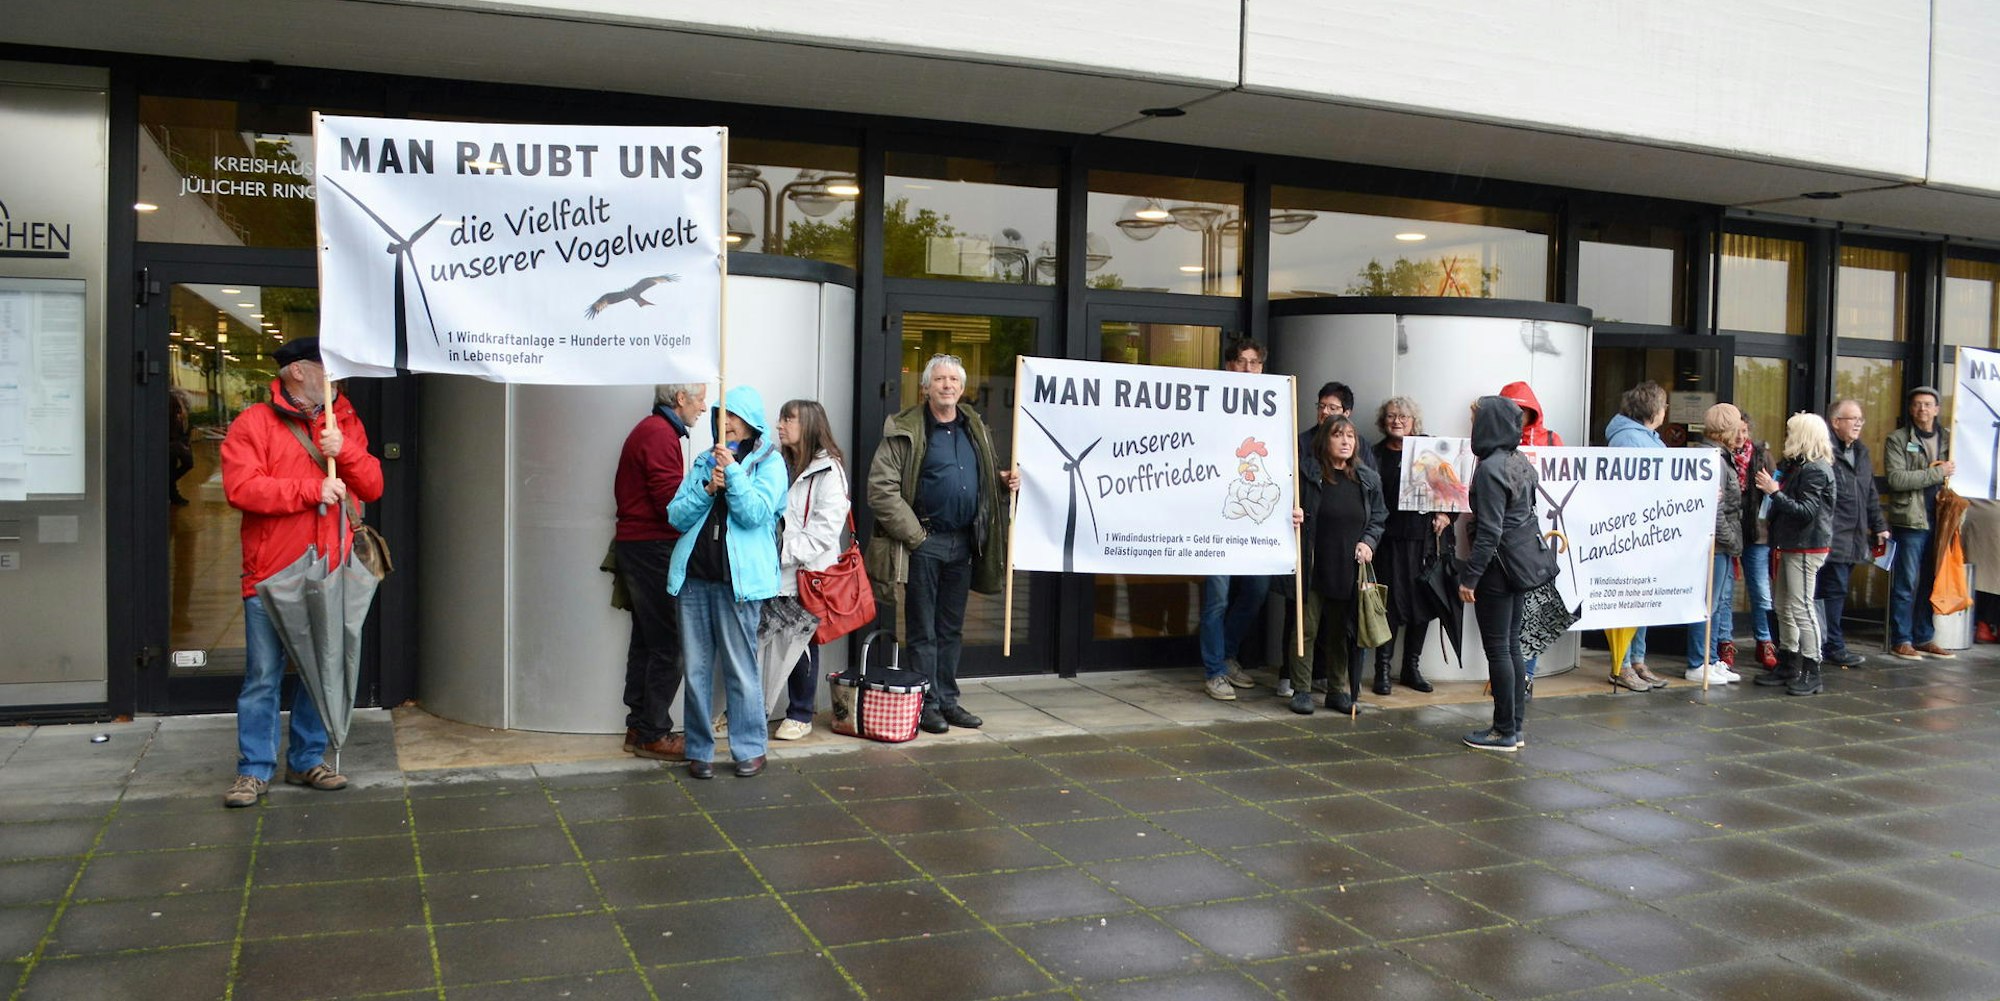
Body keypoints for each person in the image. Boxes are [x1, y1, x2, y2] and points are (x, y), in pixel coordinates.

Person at [219, 337, 383, 807]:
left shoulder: (344, 420)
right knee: (263, 676)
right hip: (273, 574)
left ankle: (308, 759)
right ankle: (253, 770)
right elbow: (243, 489)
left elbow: (372, 483)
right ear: (297, 372)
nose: (338, 379)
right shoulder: (254, 423)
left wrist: (344, 450)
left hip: (333, 569)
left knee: (323, 669)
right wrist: (311, 490)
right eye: (327, 368)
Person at [865, 354, 1017, 733]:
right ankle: (926, 703)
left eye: (953, 380)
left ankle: (948, 701)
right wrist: (916, 536)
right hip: (925, 542)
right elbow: (881, 491)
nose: (947, 386)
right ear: (926, 387)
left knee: (951, 629)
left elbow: (978, 476)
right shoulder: (907, 429)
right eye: (939, 380)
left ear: (962, 389)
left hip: (964, 544)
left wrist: (1002, 481)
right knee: (923, 631)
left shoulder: (973, 428)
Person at [667, 385, 788, 778]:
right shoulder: (704, 463)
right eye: (721, 416)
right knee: (697, 669)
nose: (726, 424)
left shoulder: (771, 464)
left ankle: (750, 748)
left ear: (751, 424)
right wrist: (708, 488)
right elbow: (676, 516)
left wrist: (733, 474)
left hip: (739, 585)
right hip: (695, 582)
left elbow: (754, 513)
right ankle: (699, 749)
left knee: (740, 667)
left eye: (733, 417)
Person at [613, 383, 705, 761]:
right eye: (699, 398)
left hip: (637, 546)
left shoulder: (652, 430)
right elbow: (670, 504)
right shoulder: (659, 434)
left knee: (647, 640)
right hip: (651, 547)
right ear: (680, 399)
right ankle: (654, 732)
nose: (703, 407)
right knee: (670, 643)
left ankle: (639, 725)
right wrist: (707, 492)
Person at [1288, 416, 1385, 715]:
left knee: (1341, 632)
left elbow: (1379, 517)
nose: (1345, 441)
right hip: (1314, 564)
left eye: (1351, 436)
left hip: (1349, 567)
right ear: (1325, 440)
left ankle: (1336, 690)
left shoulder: (1368, 478)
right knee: (1306, 629)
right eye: (1338, 435)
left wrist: (1368, 542)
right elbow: (1284, 508)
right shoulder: (1306, 473)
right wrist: (1293, 517)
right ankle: (1301, 690)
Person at [1459, 395, 1540, 751]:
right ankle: (1515, 728)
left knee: (1499, 649)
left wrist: (1470, 577)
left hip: (1496, 568)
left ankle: (1503, 730)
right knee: (1511, 646)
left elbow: (1490, 530)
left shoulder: (1490, 468)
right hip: (1518, 564)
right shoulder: (1518, 460)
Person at [1198, 337, 1275, 700]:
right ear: (1229, 365)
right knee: (1217, 598)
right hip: (1215, 519)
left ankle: (1227, 655)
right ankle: (1214, 670)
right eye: (1241, 362)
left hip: (1255, 521)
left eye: (1254, 363)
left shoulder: (1274, 408)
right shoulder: (1208, 402)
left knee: (1257, 591)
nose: (1247, 369)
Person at [772, 399, 848, 741]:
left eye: (788, 419)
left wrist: (778, 553)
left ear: (810, 426)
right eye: (781, 419)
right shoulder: (776, 463)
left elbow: (823, 532)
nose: (780, 425)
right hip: (774, 571)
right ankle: (751, 709)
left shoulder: (828, 472)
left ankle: (800, 713)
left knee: (800, 641)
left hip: (806, 573)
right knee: (766, 641)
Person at [1368, 397, 1450, 695]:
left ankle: (1411, 668)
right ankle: (1383, 670)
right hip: (1387, 542)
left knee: (1422, 604)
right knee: (1386, 606)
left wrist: (1445, 514)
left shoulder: (1429, 450)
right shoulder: (1374, 454)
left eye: (1403, 416)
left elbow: (1451, 489)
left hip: (1423, 542)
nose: (1397, 421)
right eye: (1391, 416)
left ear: (1414, 421)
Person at [1752, 413, 1837, 695]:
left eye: (1790, 432)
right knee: (1783, 605)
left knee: (1800, 606)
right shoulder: (1799, 466)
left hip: (1806, 545)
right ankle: (1788, 661)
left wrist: (1775, 492)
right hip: (1793, 544)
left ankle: (1812, 668)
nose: (1786, 437)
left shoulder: (1815, 470)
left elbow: (1806, 512)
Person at [1603, 381, 1670, 691]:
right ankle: (1623, 664)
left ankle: (1638, 660)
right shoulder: (1630, 440)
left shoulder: (1644, 437)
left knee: (1643, 598)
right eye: (1664, 405)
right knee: (1630, 599)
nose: (1665, 411)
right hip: (1632, 531)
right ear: (1652, 409)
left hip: (1649, 530)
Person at [1883, 386, 1957, 660]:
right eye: (1917, 405)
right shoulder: (1898, 440)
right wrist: (1936, 473)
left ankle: (1924, 636)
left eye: (1927, 404)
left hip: (1942, 520)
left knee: (1931, 580)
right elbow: (1897, 479)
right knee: (1906, 583)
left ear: (1937, 409)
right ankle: (1901, 639)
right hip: (1911, 520)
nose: (1922, 409)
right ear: (1911, 409)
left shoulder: (1951, 438)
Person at [1817, 399, 1889, 669]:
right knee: (1831, 590)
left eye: (1861, 419)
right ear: (1836, 422)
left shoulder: (1861, 452)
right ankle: (1831, 645)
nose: (1858, 423)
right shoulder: (1824, 450)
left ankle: (1826, 642)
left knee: (1834, 591)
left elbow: (1869, 492)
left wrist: (1879, 524)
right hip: (1831, 534)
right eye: (1852, 418)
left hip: (1853, 535)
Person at [1499, 380, 1562, 686]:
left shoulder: (1551, 439)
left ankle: (1526, 673)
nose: (1517, 417)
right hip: (1510, 535)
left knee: (1534, 608)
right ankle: (1513, 674)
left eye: (1522, 411)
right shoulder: (1493, 445)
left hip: (1542, 533)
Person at [1682, 404, 1746, 685]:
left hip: (1717, 544)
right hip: (1716, 545)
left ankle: (1709, 659)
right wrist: (1732, 542)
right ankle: (1699, 662)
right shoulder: (1715, 459)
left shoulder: (1712, 455)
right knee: (1708, 604)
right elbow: (1716, 510)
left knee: (1715, 604)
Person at [1737, 415, 1779, 669]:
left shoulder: (1762, 455)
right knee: (1725, 593)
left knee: (1761, 590)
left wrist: (1770, 487)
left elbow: (1775, 490)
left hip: (1757, 532)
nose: (1740, 436)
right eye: (1736, 431)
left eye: (1744, 431)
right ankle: (1723, 643)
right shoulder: (1721, 456)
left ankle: (1764, 641)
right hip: (1729, 532)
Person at [168, 387, 195, 505]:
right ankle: (171, 492)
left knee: (176, 466)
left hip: (176, 443)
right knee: (182, 464)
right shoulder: (172, 403)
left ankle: (171, 491)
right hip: (173, 444)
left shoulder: (178, 404)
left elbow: (185, 428)